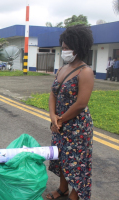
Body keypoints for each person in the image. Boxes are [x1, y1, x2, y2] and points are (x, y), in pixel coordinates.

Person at [47, 25, 94, 200]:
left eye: (67, 48)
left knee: (77, 162)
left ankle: (75, 194)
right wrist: (53, 117)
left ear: (78, 47)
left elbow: (81, 104)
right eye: (63, 47)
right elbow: (53, 93)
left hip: (77, 126)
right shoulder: (62, 69)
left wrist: (60, 120)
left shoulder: (85, 72)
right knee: (61, 158)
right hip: (59, 124)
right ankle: (62, 189)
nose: (63, 51)